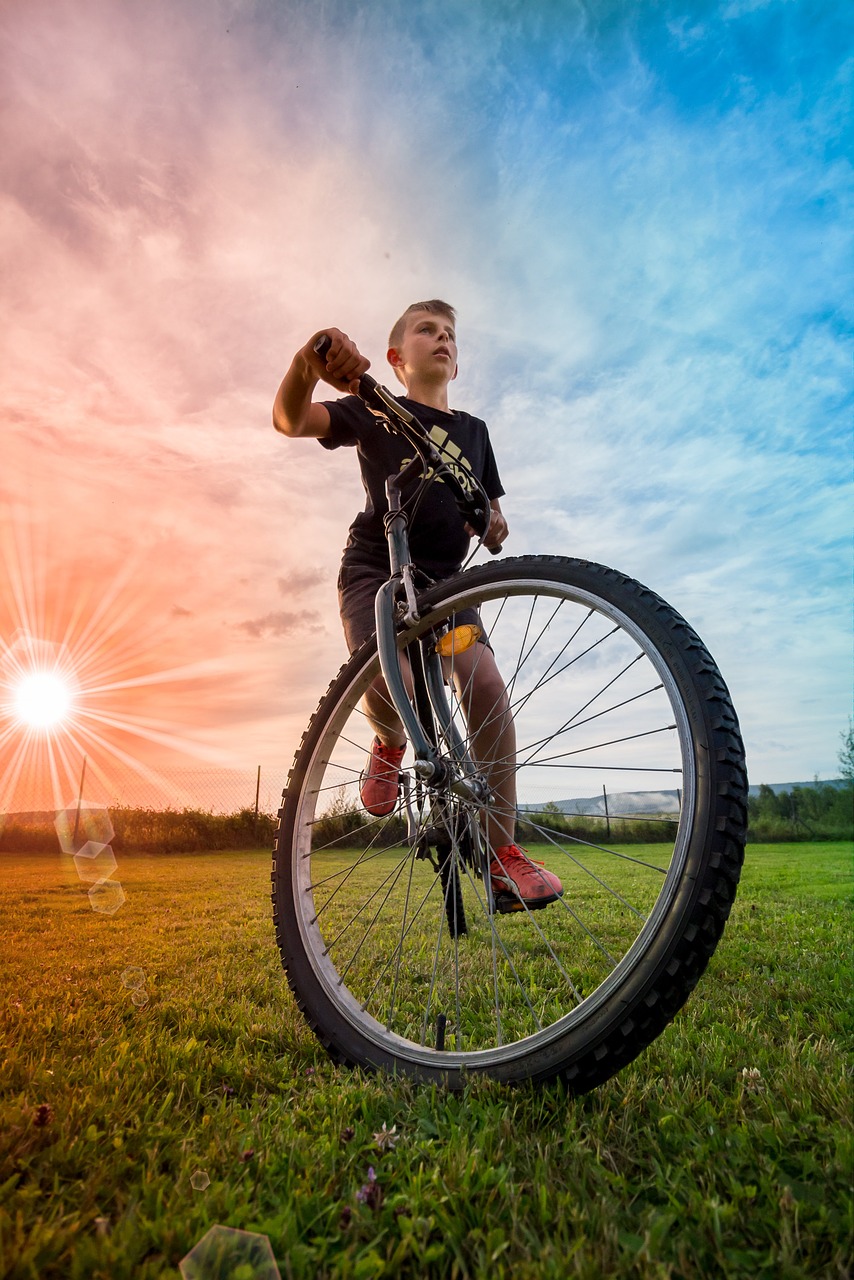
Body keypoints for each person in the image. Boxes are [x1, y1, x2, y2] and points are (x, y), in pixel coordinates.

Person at [273, 300, 562, 911]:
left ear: (455, 362)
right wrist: (310, 357)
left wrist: (493, 523)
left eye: (451, 334)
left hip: (446, 588)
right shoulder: (376, 409)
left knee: (484, 684)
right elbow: (290, 420)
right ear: (397, 358)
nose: (443, 339)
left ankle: (502, 853)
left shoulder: (475, 433)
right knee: (390, 671)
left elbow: (494, 510)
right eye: (428, 331)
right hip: (378, 567)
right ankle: (389, 738)